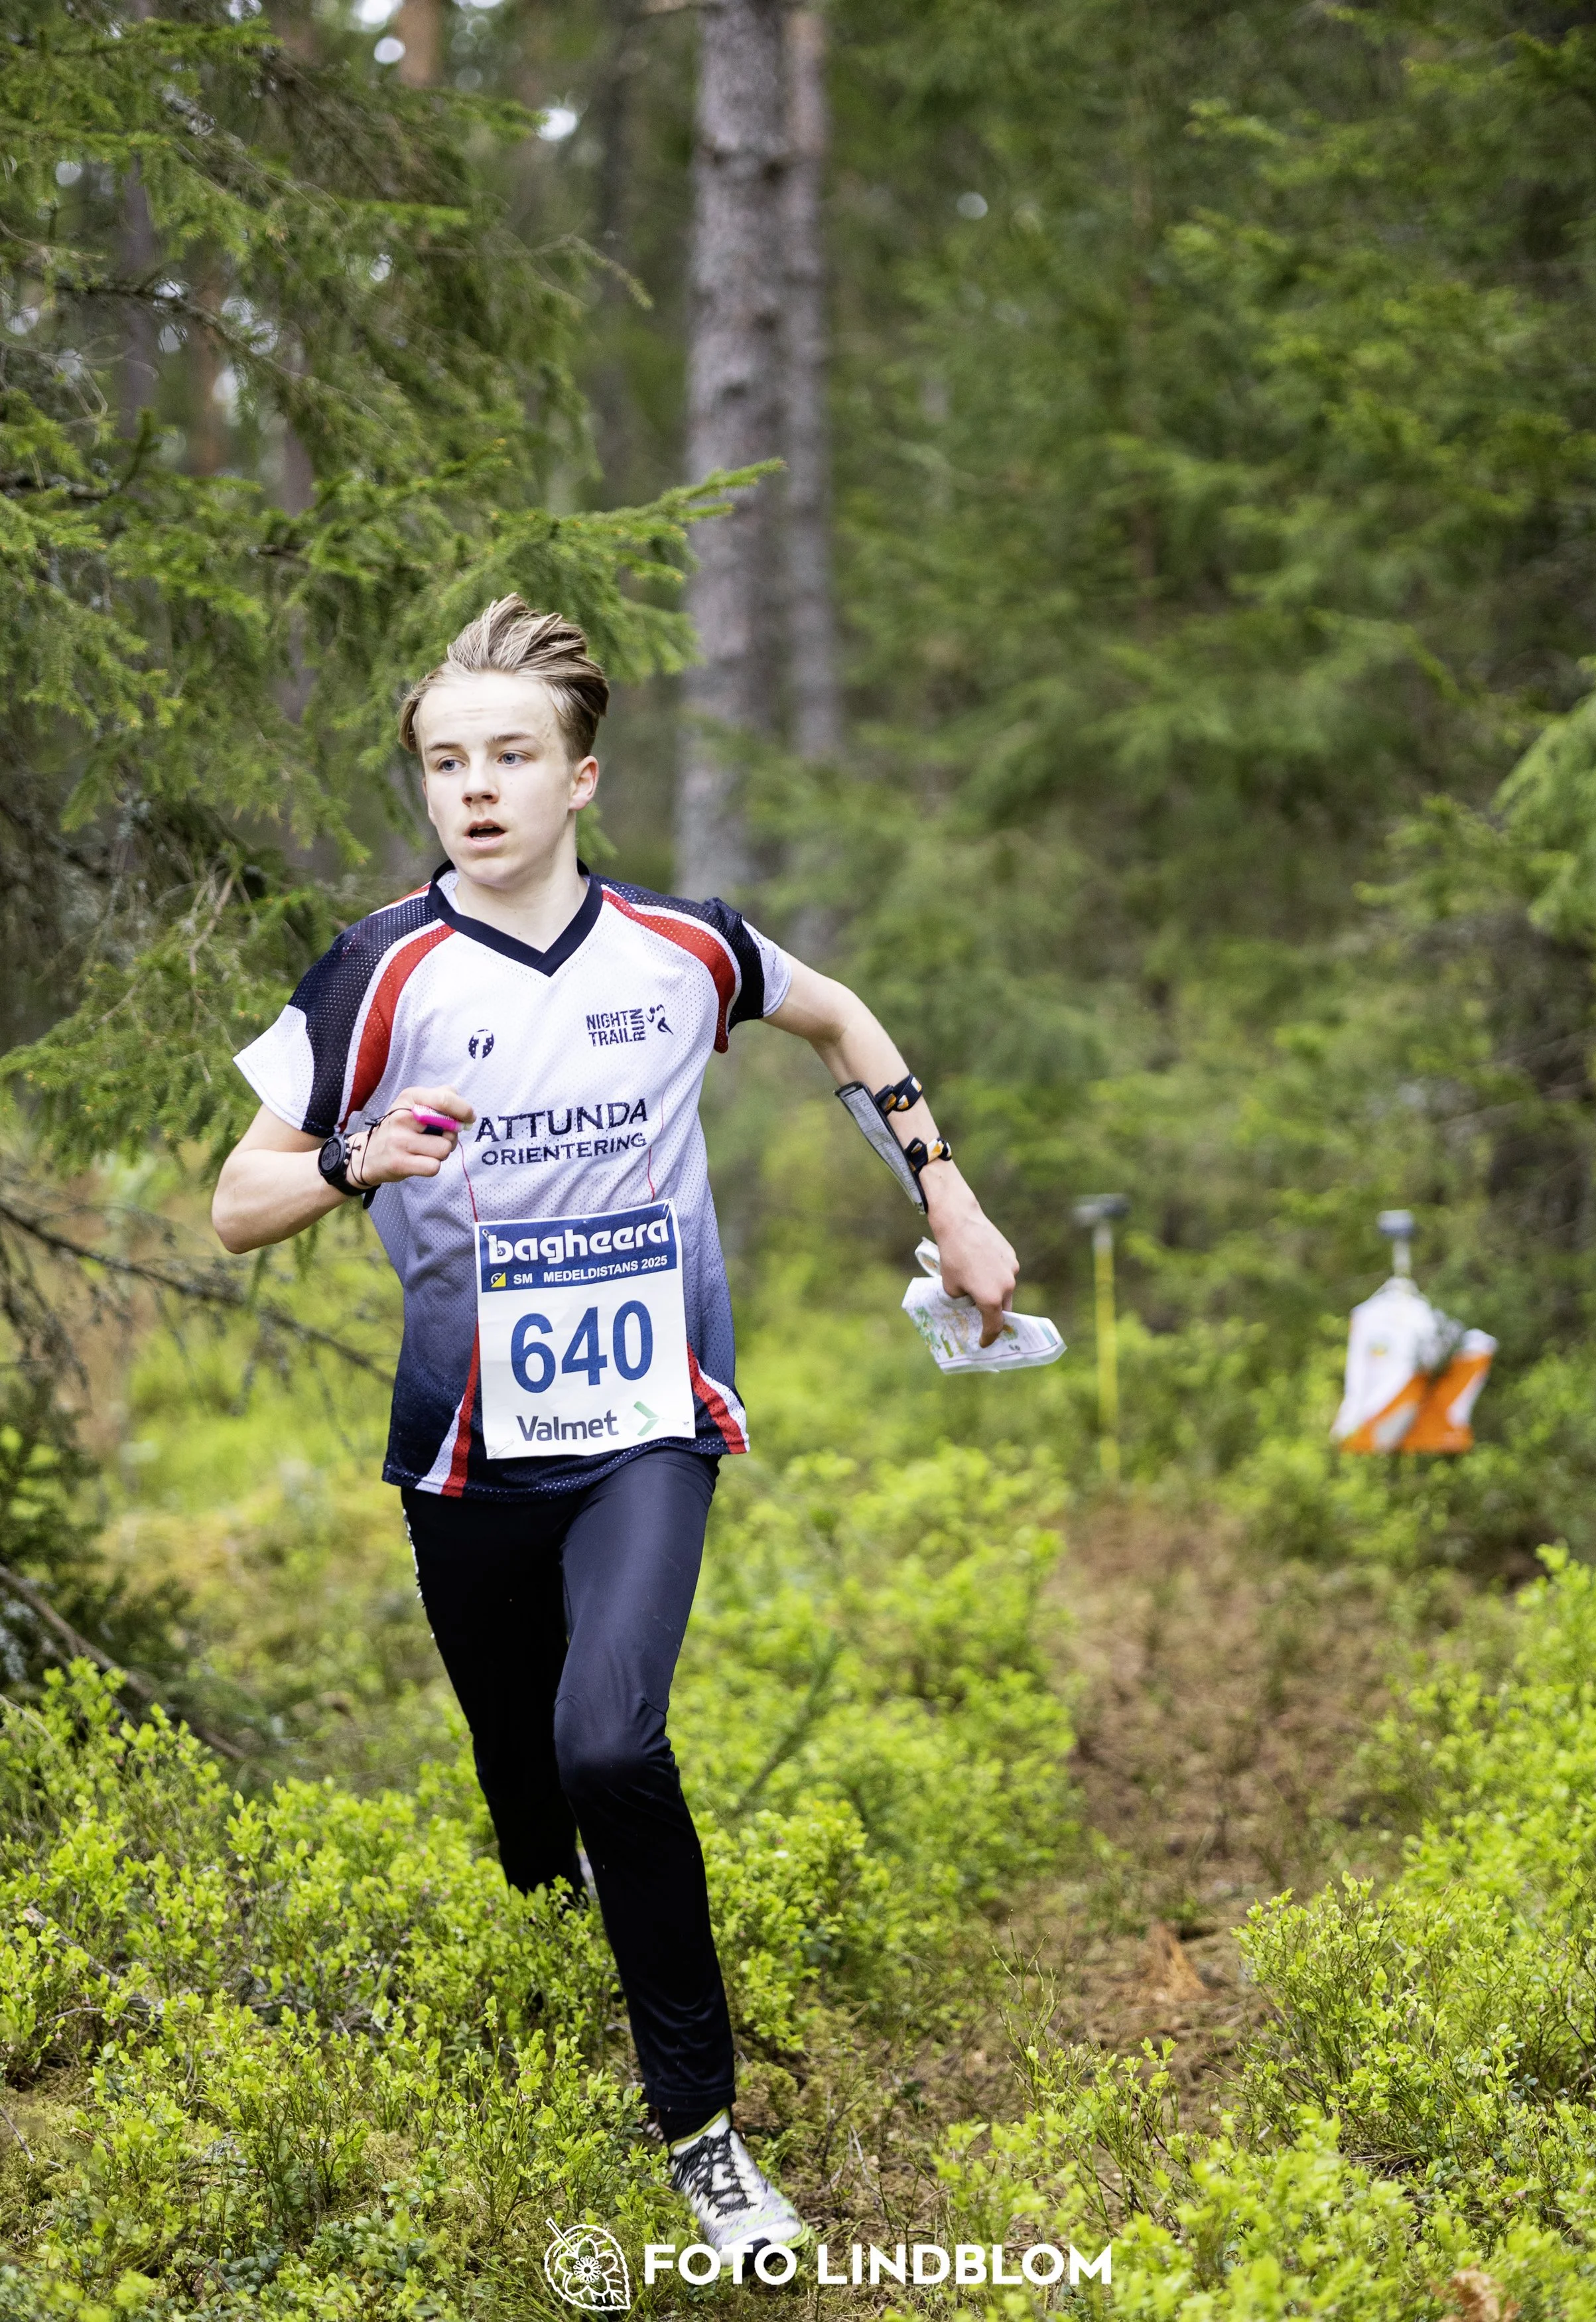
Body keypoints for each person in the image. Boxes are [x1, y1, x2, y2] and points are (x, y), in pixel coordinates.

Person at [212, 596, 1019, 2259]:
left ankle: (702, 2132)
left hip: (651, 1419)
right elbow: (237, 1201)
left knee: (608, 1745)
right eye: (447, 762)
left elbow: (840, 1019)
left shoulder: (682, 947)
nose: (475, 788)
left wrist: (946, 1198)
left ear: (579, 776)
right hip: (465, 1450)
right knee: (528, 1802)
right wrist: (358, 1160)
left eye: (510, 756)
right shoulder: (377, 970)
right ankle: (552, 1905)